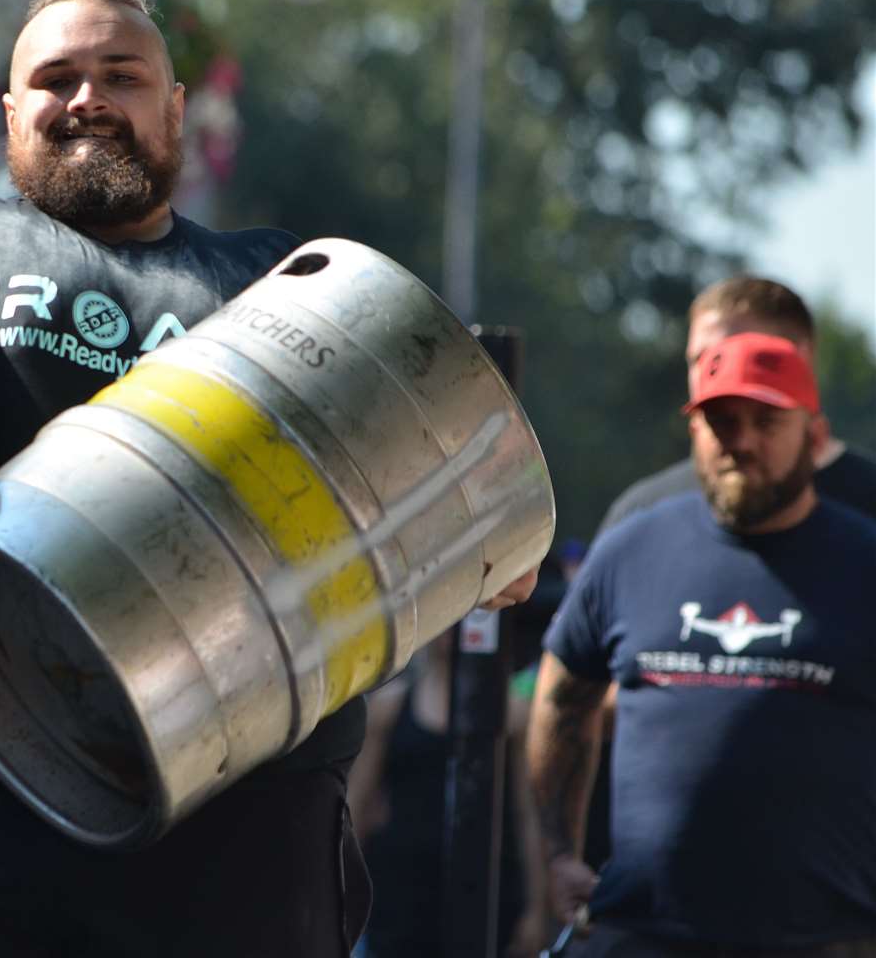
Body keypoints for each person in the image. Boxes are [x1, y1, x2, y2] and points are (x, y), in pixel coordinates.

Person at [0, 0, 540, 958]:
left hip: (232, 833)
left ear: (174, 109)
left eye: (120, 74)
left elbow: (431, 454)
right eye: (55, 78)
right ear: (10, 113)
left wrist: (476, 535)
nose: (87, 96)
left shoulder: (279, 277)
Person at [529, 332, 876, 956]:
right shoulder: (632, 549)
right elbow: (560, 700)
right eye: (721, 422)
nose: (741, 441)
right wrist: (557, 852)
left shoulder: (865, 563)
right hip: (641, 934)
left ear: (816, 438)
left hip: (824, 939)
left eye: (767, 422)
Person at [599, 276, 876, 530]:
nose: (714, 371)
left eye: (742, 354)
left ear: (801, 360)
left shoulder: (866, 501)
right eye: (699, 359)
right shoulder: (639, 515)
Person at [349, 635, 546, 958]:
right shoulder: (390, 708)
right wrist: (345, 898)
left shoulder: (511, 713)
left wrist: (536, 908)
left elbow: (528, 813)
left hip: (486, 898)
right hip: (402, 900)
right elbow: (354, 809)